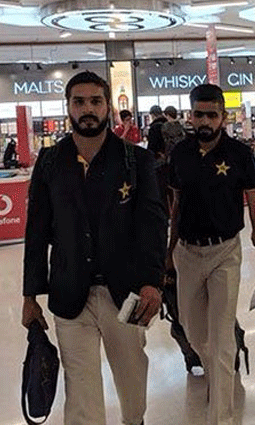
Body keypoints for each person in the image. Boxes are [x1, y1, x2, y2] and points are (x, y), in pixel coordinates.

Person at [22, 71, 167, 425]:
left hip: (126, 293)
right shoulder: (51, 161)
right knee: (81, 390)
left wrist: (153, 281)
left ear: (108, 107)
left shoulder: (136, 161)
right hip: (70, 291)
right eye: (79, 102)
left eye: (95, 101)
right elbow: (36, 230)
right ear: (68, 107)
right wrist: (30, 295)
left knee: (131, 379)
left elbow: (153, 225)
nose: (87, 109)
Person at [167, 84, 255, 425]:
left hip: (225, 253)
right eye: (199, 114)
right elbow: (175, 208)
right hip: (187, 253)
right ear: (190, 116)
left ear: (223, 117)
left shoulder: (240, 154)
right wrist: (167, 256)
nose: (205, 121)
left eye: (211, 115)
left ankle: (222, 417)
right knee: (193, 332)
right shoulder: (180, 154)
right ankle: (219, 373)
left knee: (222, 338)